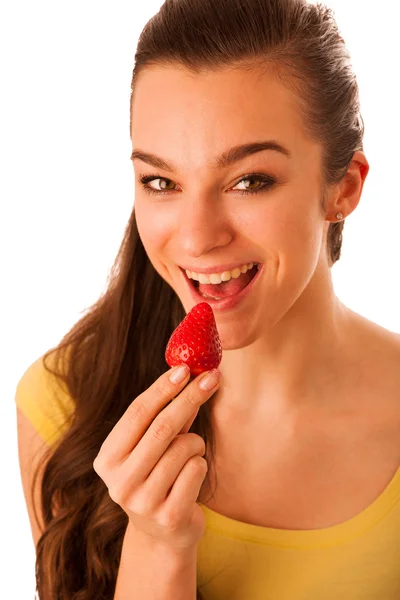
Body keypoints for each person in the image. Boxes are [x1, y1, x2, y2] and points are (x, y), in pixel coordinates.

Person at [15, 0, 400, 598]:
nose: (196, 237)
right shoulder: (63, 407)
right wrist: (157, 544)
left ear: (343, 187)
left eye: (250, 180)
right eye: (161, 181)